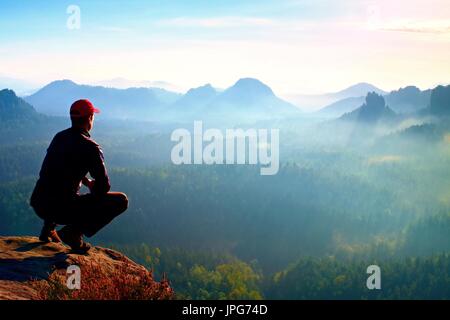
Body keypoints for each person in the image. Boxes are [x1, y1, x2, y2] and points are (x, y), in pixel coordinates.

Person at [30, 99, 128, 253]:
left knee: (57, 187)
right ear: (90, 118)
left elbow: (52, 173)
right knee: (121, 201)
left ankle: (48, 229)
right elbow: (103, 188)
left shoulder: (59, 137)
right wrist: (91, 186)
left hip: (39, 203)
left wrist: (82, 180)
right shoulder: (91, 147)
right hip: (62, 209)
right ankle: (74, 233)